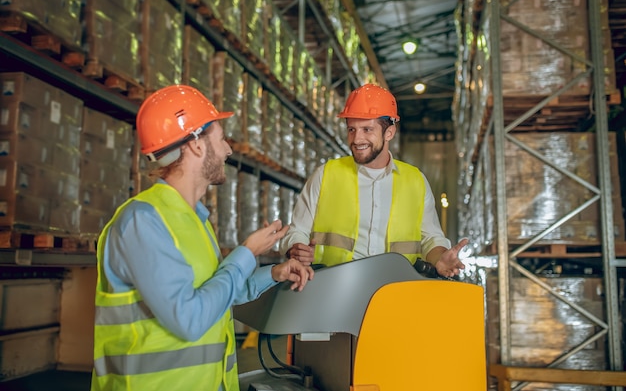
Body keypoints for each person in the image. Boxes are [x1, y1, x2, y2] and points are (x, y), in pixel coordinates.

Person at [91, 84, 314, 391]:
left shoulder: (195, 220)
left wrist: (274, 273)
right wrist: (246, 252)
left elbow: (219, 293)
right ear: (196, 145)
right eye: (221, 139)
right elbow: (189, 319)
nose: (228, 150)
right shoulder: (143, 223)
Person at [279, 83, 467, 278]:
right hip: (333, 290)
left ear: (389, 133)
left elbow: (431, 238)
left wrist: (440, 258)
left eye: (367, 129)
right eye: (351, 129)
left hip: (395, 291)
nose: (357, 139)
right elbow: (297, 231)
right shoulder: (325, 175)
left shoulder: (416, 181)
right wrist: (296, 247)